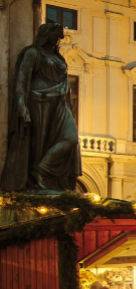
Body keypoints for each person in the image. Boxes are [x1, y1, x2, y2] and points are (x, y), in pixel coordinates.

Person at [3, 22, 82, 192]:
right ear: (46, 34)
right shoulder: (33, 53)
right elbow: (22, 80)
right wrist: (21, 106)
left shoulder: (58, 56)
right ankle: (37, 178)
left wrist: (69, 105)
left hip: (59, 103)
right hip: (38, 102)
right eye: (56, 35)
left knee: (71, 138)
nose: (59, 39)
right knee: (39, 143)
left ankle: (41, 169)